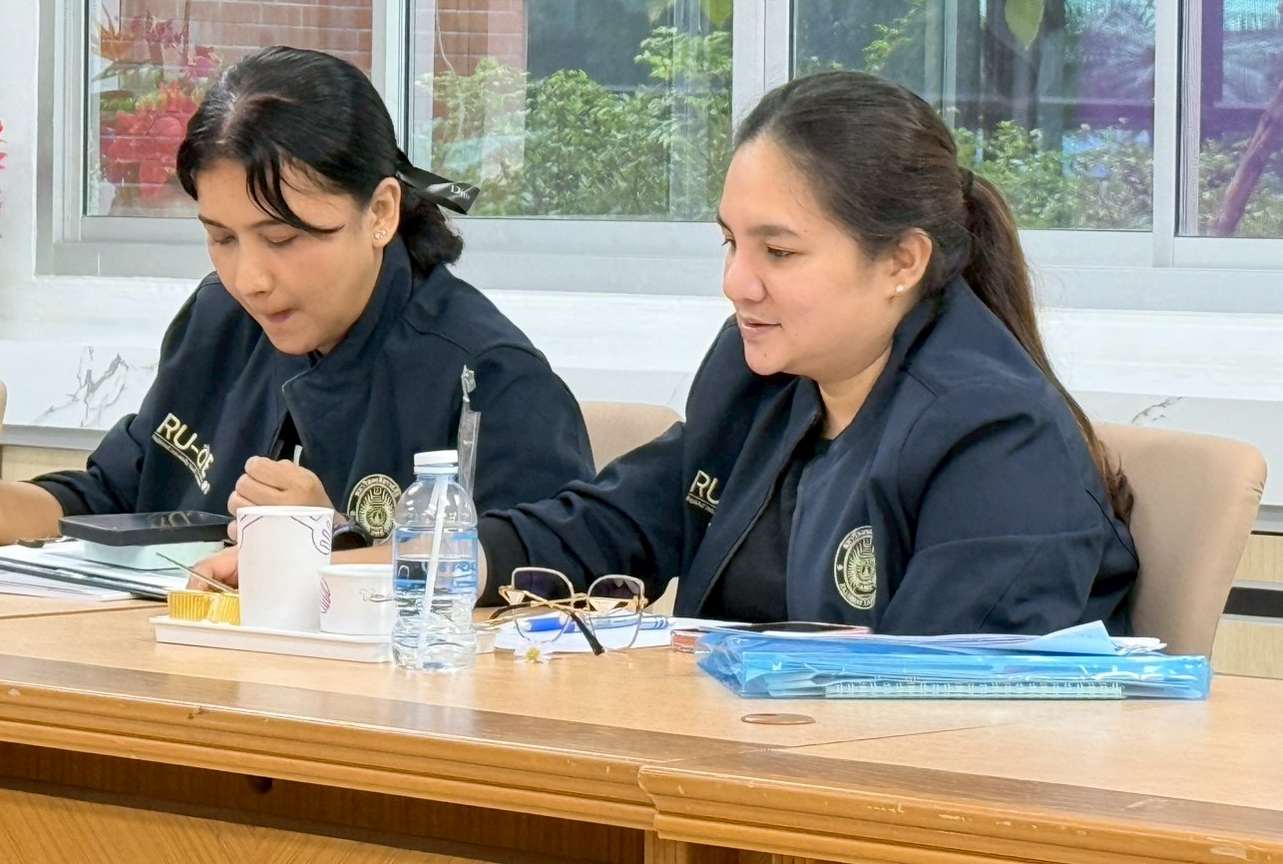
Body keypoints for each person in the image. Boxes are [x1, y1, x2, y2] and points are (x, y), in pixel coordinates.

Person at [476, 71, 1139, 634]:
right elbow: (620, 522)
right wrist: (453, 560)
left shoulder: (997, 439)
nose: (737, 283)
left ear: (902, 261)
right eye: (731, 243)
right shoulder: (759, 375)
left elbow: (929, 694)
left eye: (779, 251)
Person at [0, 47, 595, 547]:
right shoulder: (220, 319)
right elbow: (112, 500)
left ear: (379, 213)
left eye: (283, 239)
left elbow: (545, 599)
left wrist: (340, 541)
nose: (250, 279)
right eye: (221, 237)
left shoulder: (487, 377)